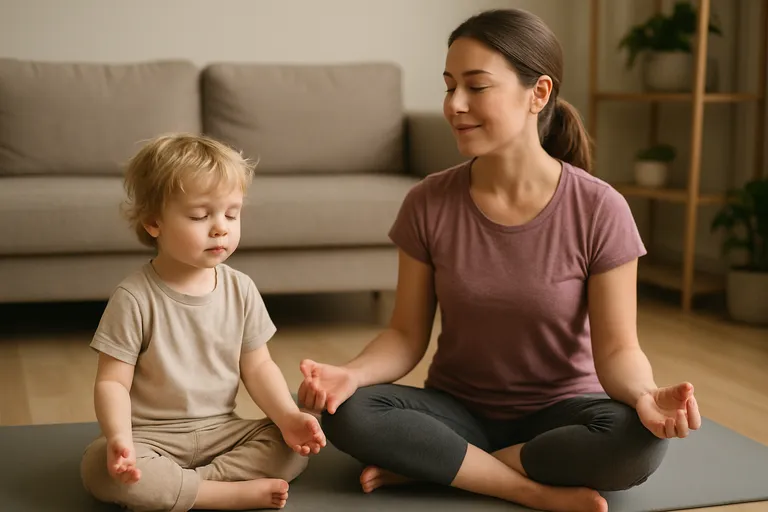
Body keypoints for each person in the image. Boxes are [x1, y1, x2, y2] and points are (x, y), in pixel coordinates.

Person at [297, 8, 701, 512]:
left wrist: (644, 395)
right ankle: (521, 485)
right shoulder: (427, 202)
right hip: (456, 410)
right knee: (346, 411)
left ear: (539, 93)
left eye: (476, 86)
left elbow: (618, 351)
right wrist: (351, 374)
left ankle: (446, 466)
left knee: (637, 441)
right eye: (449, 86)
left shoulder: (600, 208)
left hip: (564, 414)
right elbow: (404, 335)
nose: (454, 105)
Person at [80, 134, 326, 512]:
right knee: (98, 468)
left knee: (289, 448)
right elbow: (112, 381)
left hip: (221, 431)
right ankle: (224, 493)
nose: (220, 228)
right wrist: (119, 439)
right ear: (153, 222)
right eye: (200, 216)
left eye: (232, 213)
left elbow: (258, 367)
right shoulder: (133, 298)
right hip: (152, 438)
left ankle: (187, 489)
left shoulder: (241, 288)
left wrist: (288, 416)